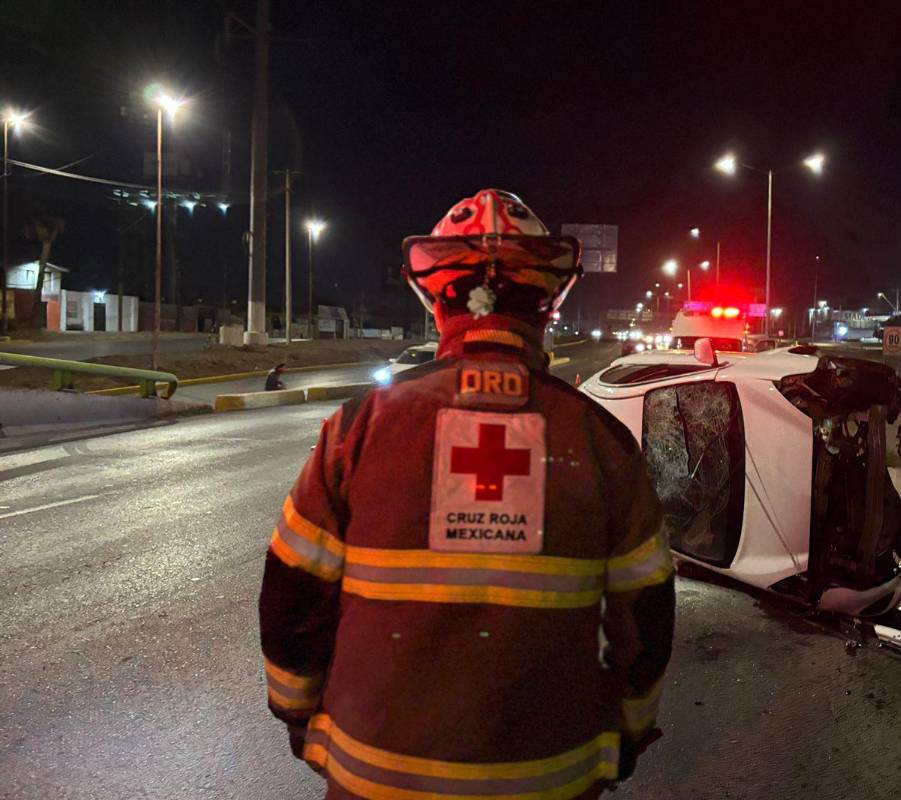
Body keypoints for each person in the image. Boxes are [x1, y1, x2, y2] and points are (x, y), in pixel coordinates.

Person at [259, 188, 675, 799]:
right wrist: (629, 728)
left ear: (437, 303)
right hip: (550, 779)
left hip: (375, 776)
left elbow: (292, 594)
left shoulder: (360, 428)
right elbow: (647, 615)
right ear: (548, 304)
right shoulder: (600, 440)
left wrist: (298, 711)